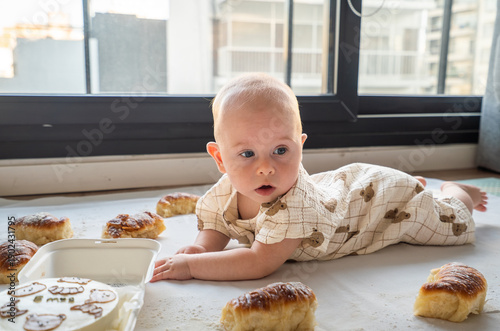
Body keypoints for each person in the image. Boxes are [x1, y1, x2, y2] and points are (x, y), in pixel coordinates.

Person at [151, 73, 488, 282]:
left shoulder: (293, 207)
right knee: (405, 191)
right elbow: (217, 223)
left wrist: (194, 267)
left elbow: (257, 262)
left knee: (451, 225)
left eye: (281, 151)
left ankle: (455, 192)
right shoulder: (226, 190)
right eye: (247, 154)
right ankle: (411, 184)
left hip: (377, 208)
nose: (265, 168)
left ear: (300, 146)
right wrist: (200, 248)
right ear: (220, 158)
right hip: (352, 191)